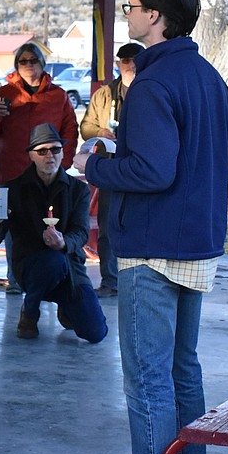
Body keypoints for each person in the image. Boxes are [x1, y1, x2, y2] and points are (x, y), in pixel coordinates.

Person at [77, 0, 228, 454]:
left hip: (151, 246)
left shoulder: (151, 82)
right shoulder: (209, 78)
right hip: (197, 244)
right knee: (182, 371)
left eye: (131, 5)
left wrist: (95, 164)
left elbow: (151, 169)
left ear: (156, 15)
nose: (127, 13)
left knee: (147, 377)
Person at [0, 124, 107, 342]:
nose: (50, 156)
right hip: (31, 267)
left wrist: (63, 242)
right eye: (42, 151)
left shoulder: (78, 189)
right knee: (51, 262)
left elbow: (81, 232)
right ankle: (30, 311)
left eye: (55, 150)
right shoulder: (14, 189)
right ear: (31, 155)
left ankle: (66, 307)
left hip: (70, 269)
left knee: (96, 333)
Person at [0, 42, 78, 292]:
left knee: (49, 223)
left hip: (47, 175)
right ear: (16, 66)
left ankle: (48, 277)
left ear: (42, 63)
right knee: (7, 225)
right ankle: (16, 279)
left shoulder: (58, 95)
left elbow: (70, 130)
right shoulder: (4, 93)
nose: (29, 65)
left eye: (33, 60)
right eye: (23, 61)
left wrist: (62, 164)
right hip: (8, 172)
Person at [79, 42, 143, 297]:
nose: (130, 65)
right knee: (108, 225)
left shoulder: (150, 89)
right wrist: (101, 133)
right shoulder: (104, 95)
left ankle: (138, 282)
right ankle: (110, 280)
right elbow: (86, 127)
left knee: (138, 225)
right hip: (109, 169)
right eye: (125, 61)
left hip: (140, 170)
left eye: (134, 60)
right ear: (118, 64)